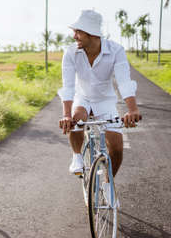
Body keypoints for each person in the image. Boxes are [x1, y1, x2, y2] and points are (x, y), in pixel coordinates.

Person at [58, 10, 141, 191]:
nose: (74, 36)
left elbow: (124, 81)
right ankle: (77, 157)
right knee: (77, 118)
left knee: (117, 148)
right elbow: (69, 86)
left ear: (91, 33)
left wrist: (132, 109)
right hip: (83, 96)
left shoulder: (116, 50)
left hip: (105, 100)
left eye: (78, 32)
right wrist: (66, 115)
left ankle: (108, 183)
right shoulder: (71, 53)